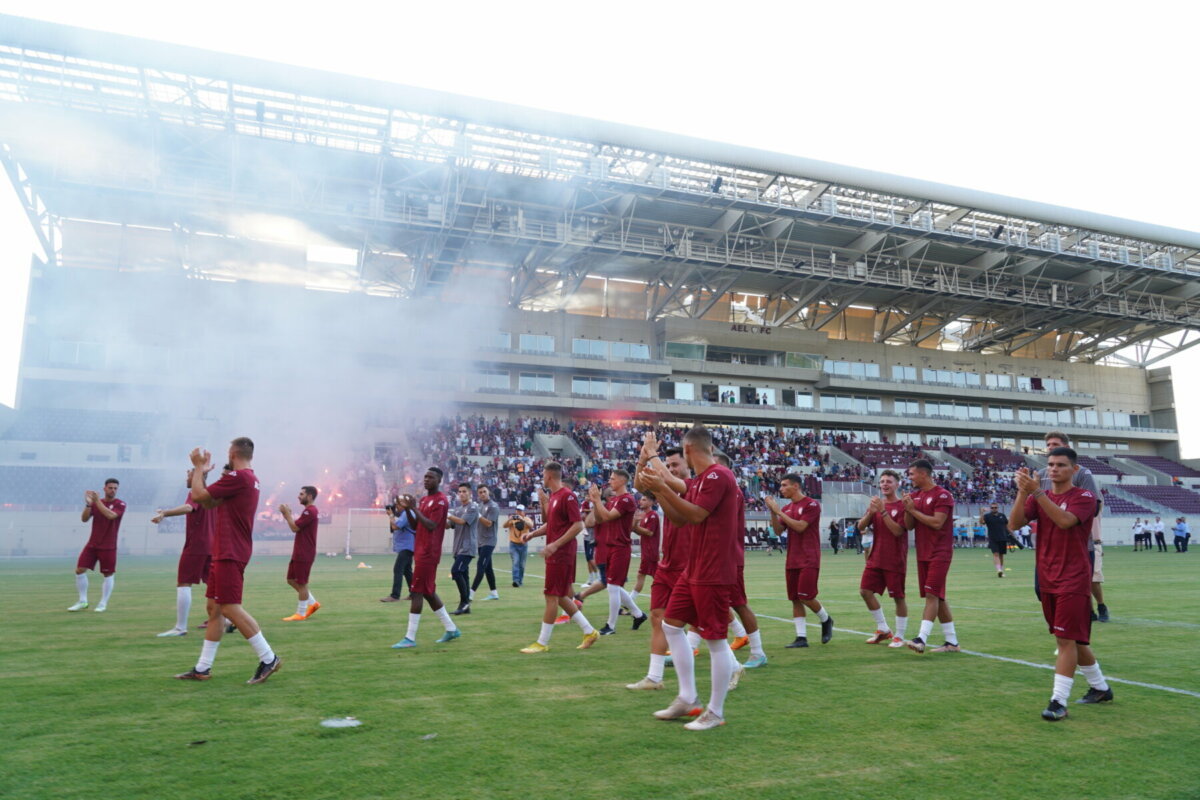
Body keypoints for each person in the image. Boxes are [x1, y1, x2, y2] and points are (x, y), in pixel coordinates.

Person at [640, 425, 742, 731]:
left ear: (687, 451)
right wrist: (659, 484)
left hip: (712, 569)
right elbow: (679, 514)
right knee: (671, 625)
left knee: (714, 639)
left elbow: (695, 514)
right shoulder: (700, 480)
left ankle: (715, 711)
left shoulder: (718, 475)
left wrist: (659, 475)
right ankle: (687, 698)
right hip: (694, 568)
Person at [1009, 450, 1112, 720]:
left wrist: (1038, 494)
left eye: (1061, 465)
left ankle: (1058, 702)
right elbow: (1014, 523)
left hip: (1073, 577)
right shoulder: (1038, 495)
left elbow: (1066, 521)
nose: (1053, 469)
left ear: (1074, 469)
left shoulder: (1084, 497)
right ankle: (1101, 688)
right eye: (1050, 465)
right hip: (1047, 576)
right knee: (1071, 639)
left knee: (1065, 640)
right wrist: (1022, 492)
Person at [174, 438, 281, 684]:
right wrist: (204, 476)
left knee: (231, 607)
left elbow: (199, 494)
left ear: (232, 453)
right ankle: (202, 668)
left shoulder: (239, 477)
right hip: (225, 550)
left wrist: (198, 467)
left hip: (230, 551)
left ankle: (268, 657)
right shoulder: (247, 479)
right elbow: (208, 500)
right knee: (214, 609)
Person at [518, 462, 599, 653]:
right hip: (556, 552)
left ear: (549, 476)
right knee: (562, 596)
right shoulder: (554, 496)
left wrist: (555, 544)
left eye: (544, 475)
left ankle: (542, 642)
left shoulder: (567, 496)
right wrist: (532, 534)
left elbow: (578, 525)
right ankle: (589, 631)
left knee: (551, 596)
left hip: (561, 553)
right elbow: (552, 525)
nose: (543, 478)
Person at [1039, 432, 1107, 623]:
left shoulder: (1082, 473)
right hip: (1052, 546)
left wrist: (1071, 515)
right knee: (1043, 590)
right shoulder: (1041, 475)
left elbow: (1095, 505)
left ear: (1067, 448)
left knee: (1091, 580)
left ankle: (1099, 607)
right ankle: (1076, 629)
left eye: (1055, 444)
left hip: (1082, 541)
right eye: (1048, 444)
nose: (1050, 447)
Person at [391, 467, 461, 648]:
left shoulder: (441, 501)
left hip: (429, 552)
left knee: (416, 592)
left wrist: (414, 507)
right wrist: (408, 510)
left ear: (439, 481)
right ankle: (451, 628)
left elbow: (431, 525)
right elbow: (416, 525)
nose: (426, 480)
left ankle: (410, 637)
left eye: (431, 477)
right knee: (428, 592)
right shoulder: (425, 500)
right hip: (420, 549)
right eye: (425, 477)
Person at [764, 474, 833, 649]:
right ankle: (801, 637)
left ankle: (826, 619)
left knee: (806, 596)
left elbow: (801, 527)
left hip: (809, 557)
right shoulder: (787, 508)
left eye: (784, 485)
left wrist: (778, 511)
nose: (781, 488)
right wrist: (773, 512)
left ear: (796, 486)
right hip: (793, 557)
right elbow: (779, 531)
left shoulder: (811, 504)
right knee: (795, 598)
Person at [903, 459, 960, 654]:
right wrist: (908, 509)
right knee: (938, 597)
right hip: (923, 552)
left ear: (923, 474)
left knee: (931, 594)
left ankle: (921, 638)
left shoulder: (943, 495)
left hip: (940, 552)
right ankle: (952, 642)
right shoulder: (914, 496)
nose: (909, 477)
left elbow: (937, 522)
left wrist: (913, 510)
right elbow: (909, 525)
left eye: (911, 474)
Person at [151, 465, 216, 636]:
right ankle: (227, 619)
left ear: (197, 477)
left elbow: (189, 507)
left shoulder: (196, 493)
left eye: (189, 475)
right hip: (211, 545)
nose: (187, 478)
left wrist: (165, 513)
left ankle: (180, 627)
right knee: (214, 585)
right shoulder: (211, 493)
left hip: (196, 545)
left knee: (184, 583)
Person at [587, 470, 648, 635]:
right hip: (610, 546)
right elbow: (597, 520)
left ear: (622, 481)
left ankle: (611, 626)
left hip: (620, 547)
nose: (610, 481)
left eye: (613, 479)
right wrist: (595, 502)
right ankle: (638, 614)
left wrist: (598, 501)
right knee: (613, 586)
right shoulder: (614, 500)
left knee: (612, 587)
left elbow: (606, 517)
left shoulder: (626, 500)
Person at [856, 470, 909, 647]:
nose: (885, 484)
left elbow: (898, 531)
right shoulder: (876, 504)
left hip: (895, 559)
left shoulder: (902, 506)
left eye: (889, 481)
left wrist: (883, 512)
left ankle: (900, 636)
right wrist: (871, 513)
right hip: (876, 557)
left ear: (897, 484)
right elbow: (860, 526)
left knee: (898, 597)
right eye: (882, 481)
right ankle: (883, 629)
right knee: (865, 591)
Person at [69, 478, 126, 613]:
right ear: (104, 488)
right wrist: (88, 505)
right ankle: (83, 601)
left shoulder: (120, 504)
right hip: (93, 544)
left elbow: (110, 515)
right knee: (79, 570)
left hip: (109, 546)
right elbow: (84, 519)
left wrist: (97, 501)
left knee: (108, 574)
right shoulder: (96, 503)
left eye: (115, 488)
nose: (113, 490)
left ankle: (103, 603)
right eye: (110, 488)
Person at [279, 485, 321, 621]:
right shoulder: (307, 511)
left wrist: (287, 514)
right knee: (291, 580)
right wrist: (288, 515)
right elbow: (297, 525)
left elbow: (294, 527)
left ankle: (301, 613)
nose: (299, 496)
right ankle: (313, 603)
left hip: (305, 552)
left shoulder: (311, 511)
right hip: (299, 551)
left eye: (302, 494)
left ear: (309, 496)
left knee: (302, 583)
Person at [447, 483, 479, 615]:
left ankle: (465, 603)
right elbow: (449, 525)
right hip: (458, 547)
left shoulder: (473, 507)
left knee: (456, 570)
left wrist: (447, 514)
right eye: (459, 492)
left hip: (467, 546)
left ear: (470, 493)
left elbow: (461, 522)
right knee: (464, 575)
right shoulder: (458, 509)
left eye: (464, 491)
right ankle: (465, 606)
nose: (461, 494)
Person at [382, 495, 415, 602]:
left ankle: (395, 595)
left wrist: (391, 515)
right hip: (407, 546)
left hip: (407, 546)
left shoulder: (406, 514)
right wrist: (393, 514)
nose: (397, 505)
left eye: (399, 503)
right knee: (407, 571)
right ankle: (414, 593)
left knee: (398, 569)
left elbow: (395, 526)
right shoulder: (406, 513)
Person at [470, 485, 501, 602]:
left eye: (484, 492)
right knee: (488, 568)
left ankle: (470, 594)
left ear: (488, 493)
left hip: (489, 541)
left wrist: (477, 514)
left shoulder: (494, 507)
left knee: (480, 566)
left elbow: (488, 523)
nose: (482, 494)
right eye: (480, 492)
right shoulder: (480, 506)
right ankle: (494, 593)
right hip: (480, 541)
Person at [631, 493, 660, 600]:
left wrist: (635, 525)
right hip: (647, 551)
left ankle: (629, 601)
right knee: (657, 577)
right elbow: (639, 532)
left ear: (651, 502)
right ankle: (666, 596)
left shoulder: (653, 515)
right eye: (641, 500)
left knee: (641, 575)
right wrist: (635, 523)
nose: (640, 501)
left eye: (644, 500)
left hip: (650, 551)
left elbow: (649, 532)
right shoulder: (645, 515)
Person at [504, 505, 532, 587]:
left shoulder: (526, 519)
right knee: (516, 562)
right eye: (517, 510)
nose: (518, 512)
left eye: (520, 511)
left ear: (524, 512)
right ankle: (515, 580)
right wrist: (510, 519)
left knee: (522, 564)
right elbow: (504, 526)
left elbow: (531, 525)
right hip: (513, 544)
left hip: (523, 544)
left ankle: (520, 581)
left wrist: (522, 519)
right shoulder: (512, 519)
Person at [981, 503, 1010, 578]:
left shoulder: (1002, 516)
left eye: (995, 507)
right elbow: (981, 522)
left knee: (1001, 555)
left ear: (998, 508)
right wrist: (981, 513)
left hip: (1003, 538)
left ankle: (1001, 570)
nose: (994, 509)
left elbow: (1007, 526)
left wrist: (1011, 535)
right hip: (993, 538)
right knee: (996, 554)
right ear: (991, 508)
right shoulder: (987, 516)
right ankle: (999, 570)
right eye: (992, 508)